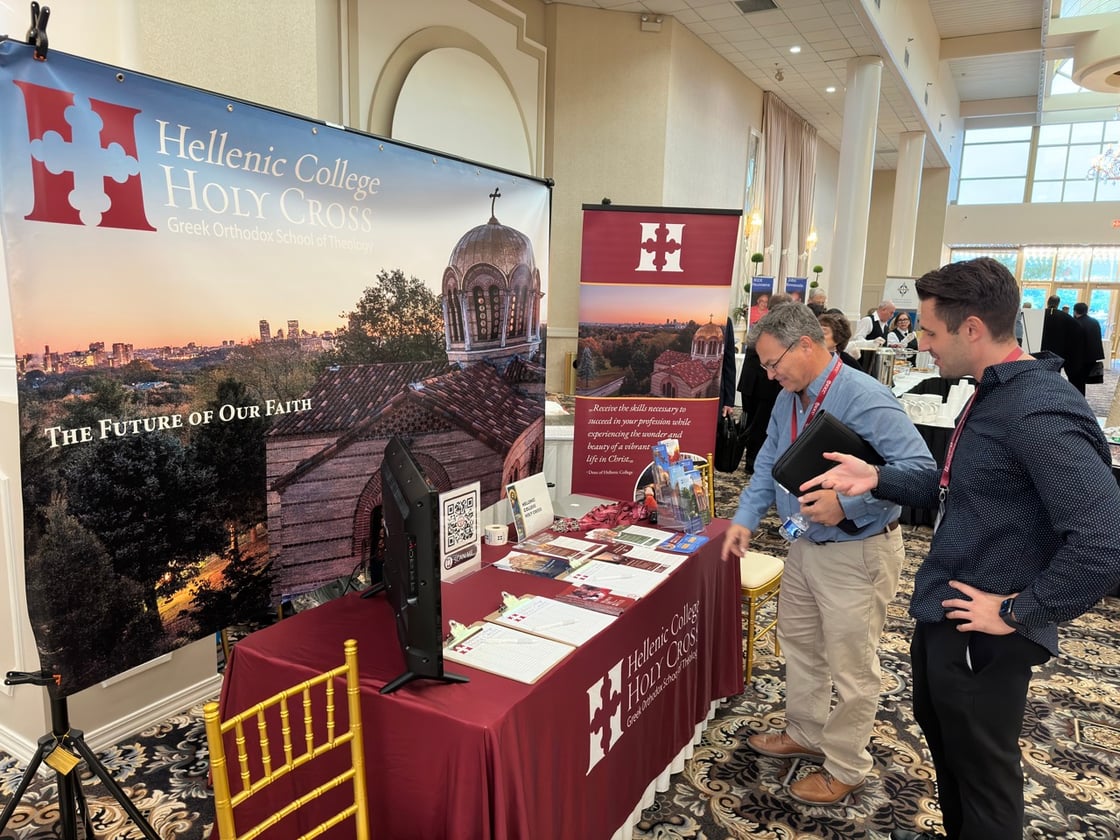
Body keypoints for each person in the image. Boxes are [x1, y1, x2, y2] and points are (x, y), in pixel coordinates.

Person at [802, 258, 1120, 840]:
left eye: (928, 331)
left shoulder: (1037, 409)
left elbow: (1103, 540)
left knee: (983, 779)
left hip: (987, 629)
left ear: (972, 329)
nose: (921, 345)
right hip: (949, 611)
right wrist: (875, 477)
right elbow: (961, 486)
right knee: (952, 755)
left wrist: (1017, 612)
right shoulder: (992, 392)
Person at [721, 304, 935, 807]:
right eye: (765, 367)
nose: (769, 375)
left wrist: (850, 503)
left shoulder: (865, 397)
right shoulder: (787, 398)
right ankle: (807, 732)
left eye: (775, 364)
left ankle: (846, 765)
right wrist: (744, 520)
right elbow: (768, 464)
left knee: (852, 666)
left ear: (807, 345)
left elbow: (922, 472)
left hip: (858, 552)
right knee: (801, 645)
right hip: (805, 545)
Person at [737, 294, 793, 473]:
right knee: (760, 426)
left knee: (753, 423)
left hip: (751, 384)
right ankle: (754, 463)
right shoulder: (775, 327)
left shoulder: (763, 322)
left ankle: (752, 462)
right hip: (764, 386)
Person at [1040, 295, 1086, 393]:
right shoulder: (1067, 318)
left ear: (1048, 302)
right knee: (1055, 375)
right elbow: (1076, 334)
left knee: (1039, 373)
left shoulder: (1039, 314)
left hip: (1039, 350)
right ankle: (1052, 392)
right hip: (1058, 351)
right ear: (1058, 304)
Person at [852, 299, 896, 375]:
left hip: (878, 366)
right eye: (891, 313)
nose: (892, 316)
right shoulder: (868, 320)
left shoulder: (885, 326)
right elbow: (857, 340)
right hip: (865, 365)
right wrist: (872, 343)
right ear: (883, 310)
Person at [1073, 301, 1105, 388]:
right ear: (1086, 311)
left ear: (1075, 311)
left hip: (1079, 357)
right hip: (1092, 356)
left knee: (1076, 382)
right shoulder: (1095, 322)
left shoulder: (1075, 322)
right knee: (1083, 380)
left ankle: (1078, 399)